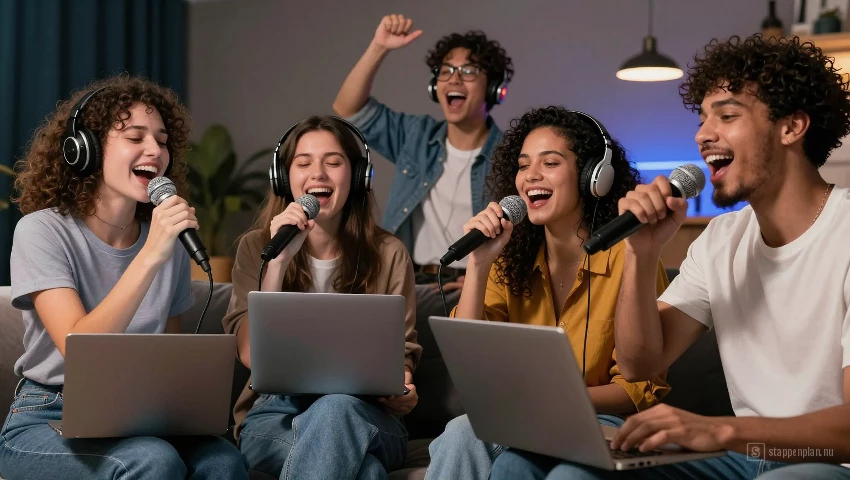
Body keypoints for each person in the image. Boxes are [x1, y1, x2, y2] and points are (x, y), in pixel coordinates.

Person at [490, 34, 850, 480]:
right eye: (702, 117)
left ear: (792, 127)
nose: (702, 134)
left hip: (825, 463)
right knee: (549, 470)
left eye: (728, 115)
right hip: (744, 456)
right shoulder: (722, 240)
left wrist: (719, 431)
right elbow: (643, 362)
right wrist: (641, 253)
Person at [0, 74, 249, 479]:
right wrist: (151, 255)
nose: (155, 150)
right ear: (86, 149)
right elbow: (80, 349)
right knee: (151, 459)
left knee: (223, 461)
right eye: (135, 137)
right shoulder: (42, 231)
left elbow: (162, 360)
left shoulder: (165, 243)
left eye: (163, 140)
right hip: (47, 413)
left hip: (139, 415)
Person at [424, 106, 672, 480]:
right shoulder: (507, 259)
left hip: (601, 417)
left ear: (594, 177)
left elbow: (641, 385)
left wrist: (552, 403)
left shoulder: (632, 254)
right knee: (461, 432)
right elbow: (471, 361)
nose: (531, 176)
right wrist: (478, 264)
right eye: (523, 165)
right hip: (521, 417)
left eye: (550, 162)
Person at [221, 115, 423, 479]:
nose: (318, 174)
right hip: (276, 415)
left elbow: (401, 354)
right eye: (303, 163)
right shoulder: (256, 248)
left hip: (370, 413)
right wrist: (277, 262)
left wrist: (403, 386)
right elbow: (252, 353)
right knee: (368, 472)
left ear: (358, 177)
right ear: (284, 178)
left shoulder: (390, 252)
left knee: (336, 410)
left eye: (333, 162)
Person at [333, 14, 514, 292]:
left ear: (493, 89)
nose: (454, 79)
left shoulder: (510, 156)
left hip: (472, 284)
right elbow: (347, 108)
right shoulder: (416, 136)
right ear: (435, 87)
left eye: (468, 72)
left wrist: (487, 281)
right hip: (408, 281)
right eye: (446, 71)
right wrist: (379, 46)